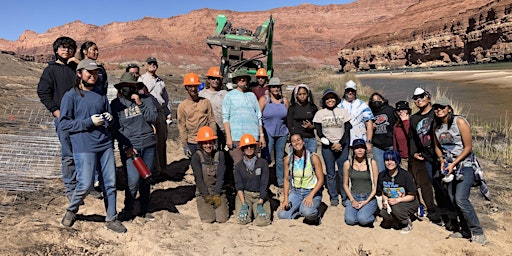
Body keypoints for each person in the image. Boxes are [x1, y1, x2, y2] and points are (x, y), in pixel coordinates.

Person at [59, 60, 126, 233]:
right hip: (83, 145)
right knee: (85, 184)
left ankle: (111, 218)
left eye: (95, 72)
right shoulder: (71, 96)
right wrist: (89, 122)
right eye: (89, 72)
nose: (93, 75)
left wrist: (109, 118)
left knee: (110, 183)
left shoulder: (100, 95)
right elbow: (65, 125)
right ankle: (71, 210)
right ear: (79, 73)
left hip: (104, 144)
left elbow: (108, 114)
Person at [432, 97, 488, 245]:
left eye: (442, 107)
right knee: (452, 198)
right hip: (449, 166)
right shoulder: (436, 126)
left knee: (461, 199)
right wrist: (442, 160)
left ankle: (478, 232)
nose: (439, 110)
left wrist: (454, 163)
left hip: (465, 165)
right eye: (436, 107)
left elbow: (468, 147)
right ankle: (464, 229)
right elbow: (437, 146)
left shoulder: (459, 122)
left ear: (449, 108)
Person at [111, 72, 158, 221]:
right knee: (133, 181)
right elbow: (115, 129)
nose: (127, 89)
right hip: (131, 147)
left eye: (130, 86)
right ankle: (128, 210)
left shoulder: (146, 99)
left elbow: (153, 117)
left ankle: (144, 209)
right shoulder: (115, 104)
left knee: (146, 179)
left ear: (136, 87)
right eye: (124, 86)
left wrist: (140, 103)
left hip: (149, 144)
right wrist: (127, 146)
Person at [37, 36, 78, 202]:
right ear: (56, 50)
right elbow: (43, 92)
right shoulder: (51, 70)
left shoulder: (77, 68)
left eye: (69, 48)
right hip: (64, 119)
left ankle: (87, 185)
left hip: (82, 117)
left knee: (85, 152)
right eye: (62, 48)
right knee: (69, 155)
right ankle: (71, 188)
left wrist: (79, 63)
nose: (66, 50)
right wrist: (56, 112)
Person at [408, 87, 449, 226]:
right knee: (435, 186)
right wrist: (413, 152)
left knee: (447, 186)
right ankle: (440, 214)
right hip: (427, 157)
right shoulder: (414, 119)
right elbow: (412, 138)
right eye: (416, 98)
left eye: (422, 96)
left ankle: (452, 214)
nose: (419, 100)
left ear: (428, 97)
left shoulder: (437, 112)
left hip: (443, 156)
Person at [313, 89, 351, 206]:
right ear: (324, 101)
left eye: (332, 98)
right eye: (327, 98)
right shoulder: (320, 114)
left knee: (343, 172)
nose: (330, 100)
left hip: (342, 146)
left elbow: (347, 130)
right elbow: (319, 133)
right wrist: (331, 145)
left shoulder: (343, 112)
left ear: (336, 99)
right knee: (330, 173)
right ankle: (334, 196)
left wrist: (340, 143)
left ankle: (345, 197)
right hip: (327, 147)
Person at [278, 133, 324, 225]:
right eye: (293, 141)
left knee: (308, 212)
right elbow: (286, 180)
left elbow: (321, 180)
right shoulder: (288, 159)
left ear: (303, 141)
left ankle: (314, 214)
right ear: (291, 144)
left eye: (298, 140)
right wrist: (285, 199)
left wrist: (311, 195)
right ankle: (300, 209)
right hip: (296, 192)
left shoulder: (313, 157)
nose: (296, 143)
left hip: (311, 191)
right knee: (282, 215)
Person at [222, 69, 265, 165]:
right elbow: (225, 117)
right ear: (236, 80)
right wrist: (229, 137)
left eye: (244, 77)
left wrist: (261, 135)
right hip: (237, 138)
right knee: (238, 165)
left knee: (253, 165)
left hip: (253, 137)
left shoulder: (252, 96)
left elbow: (258, 116)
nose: (242, 79)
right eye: (239, 78)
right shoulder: (229, 96)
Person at [138, 57, 171, 173]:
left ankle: (163, 168)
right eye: (150, 63)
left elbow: (165, 99)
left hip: (161, 112)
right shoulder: (141, 79)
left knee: (162, 141)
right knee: (151, 141)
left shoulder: (161, 81)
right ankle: (152, 169)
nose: (152, 65)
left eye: (154, 63)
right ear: (146, 66)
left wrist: (168, 113)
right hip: (148, 113)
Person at [191, 126, 229, 223]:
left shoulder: (220, 155)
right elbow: (198, 179)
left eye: (210, 142)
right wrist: (205, 195)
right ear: (200, 144)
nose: (208, 145)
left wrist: (217, 194)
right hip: (203, 191)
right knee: (209, 219)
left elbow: (221, 176)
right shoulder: (196, 157)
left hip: (218, 191)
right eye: (205, 143)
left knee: (222, 219)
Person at [377, 150, 419, 234]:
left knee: (396, 208)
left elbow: (412, 196)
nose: (389, 163)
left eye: (392, 160)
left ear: (397, 161)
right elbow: (383, 192)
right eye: (387, 160)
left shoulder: (406, 175)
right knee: (383, 213)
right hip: (391, 202)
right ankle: (397, 220)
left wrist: (398, 200)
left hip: (408, 202)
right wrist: (385, 201)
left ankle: (406, 222)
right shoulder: (382, 175)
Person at [233, 134, 271, 226]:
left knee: (263, 222)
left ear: (255, 147)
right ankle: (250, 210)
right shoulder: (238, 166)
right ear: (242, 149)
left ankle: (259, 207)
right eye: (246, 147)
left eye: (251, 146)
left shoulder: (263, 163)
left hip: (259, 195)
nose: (249, 148)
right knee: (242, 220)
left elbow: (264, 183)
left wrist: (261, 201)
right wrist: (243, 204)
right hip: (245, 195)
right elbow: (239, 186)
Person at [259, 77, 289, 188]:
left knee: (280, 158)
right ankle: (263, 181)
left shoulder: (284, 100)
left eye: (277, 87)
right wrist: (260, 133)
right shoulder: (264, 100)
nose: (276, 89)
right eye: (273, 87)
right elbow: (258, 117)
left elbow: (288, 117)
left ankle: (280, 181)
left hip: (282, 133)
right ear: (270, 88)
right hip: (268, 132)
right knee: (266, 157)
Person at [177, 72, 216, 157]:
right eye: (190, 86)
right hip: (192, 142)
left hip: (206, 141)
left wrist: (214, 139)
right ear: (186, 87)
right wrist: (185, 145)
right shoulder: (182, 106)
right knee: (196, 167)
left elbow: (211, 120)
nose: (193, 89)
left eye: (195, 86)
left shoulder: (206, 102)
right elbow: (182, 127)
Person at [342, 139, 378, 227]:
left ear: (365, 149)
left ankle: (370, 215)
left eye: (362, 148)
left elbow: (376, 185)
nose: (360, 150)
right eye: (357, 148)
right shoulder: (347, 164)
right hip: (354, 196)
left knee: (363, 220)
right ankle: (362, 212)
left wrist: (366, 201)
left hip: (369, 197)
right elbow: (345, 184)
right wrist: (352, 200)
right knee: (350, 220)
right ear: (353, 150)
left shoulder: (372, 163)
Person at [338, 80, 374, 151]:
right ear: (345, 91)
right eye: (348, 90)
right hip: (344, 142)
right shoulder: (339, 106)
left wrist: (368, 141)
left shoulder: (363, 105)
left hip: (360, 142)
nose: (350, 92)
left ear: (355, 91)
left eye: (352, 90)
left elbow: (369, 124)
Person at [198, 66, 228, 149]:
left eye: (218, 79)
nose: (216, 81)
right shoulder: (202, 94)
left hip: (223, 128)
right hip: (208, 129)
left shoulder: (225, 94)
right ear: (208, 80)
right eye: (213, 78)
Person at [368, 92, 396, 172]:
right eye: (374, 101)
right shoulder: (370, 113)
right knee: (380, 170)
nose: (376, 102)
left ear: (383, 100)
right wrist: (370, 125)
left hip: (390, 145)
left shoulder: (390, 110)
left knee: (392, 168)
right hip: (377, 146)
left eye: (378, 100)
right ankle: (382, 184)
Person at [286, 84, 318, 153]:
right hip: (297, 140)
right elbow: (289, 124)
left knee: (312, 160)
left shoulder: (313, 107)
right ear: (296, 95)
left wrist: (311, 126)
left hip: (310, 138)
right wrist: (294, 137)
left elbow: (318, 123)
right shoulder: (292, 108)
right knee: (296, 161)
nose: (302, 96)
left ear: (308, 94)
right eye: (300, 94)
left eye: (304, 94)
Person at [393, 101, 412, 169]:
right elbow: (395, 144)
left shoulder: (412, 122)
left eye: (404, 110)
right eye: (399, 111)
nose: (401, 112)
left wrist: (405, 122)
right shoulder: (396, 126)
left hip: (413, 157)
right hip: (403, 158)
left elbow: (410, 135)